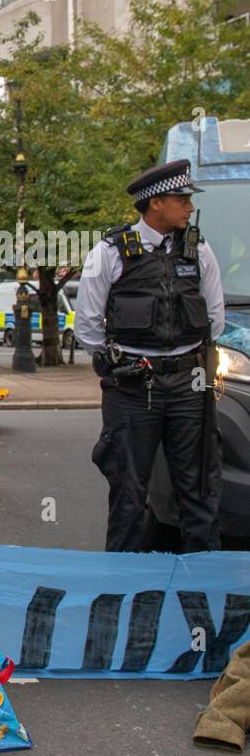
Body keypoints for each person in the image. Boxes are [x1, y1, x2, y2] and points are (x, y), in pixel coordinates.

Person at [77, 159, 225, 553]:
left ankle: (202, 587)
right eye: (183, 199)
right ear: (156, 203)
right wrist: (122, 359)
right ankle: (121, 589)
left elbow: (215, 318)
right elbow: (88, 326)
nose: (189, 207)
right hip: (133, 386)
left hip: (188, 386)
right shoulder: (109, 252)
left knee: (197, 489)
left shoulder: (199, 250)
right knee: (128, 491)